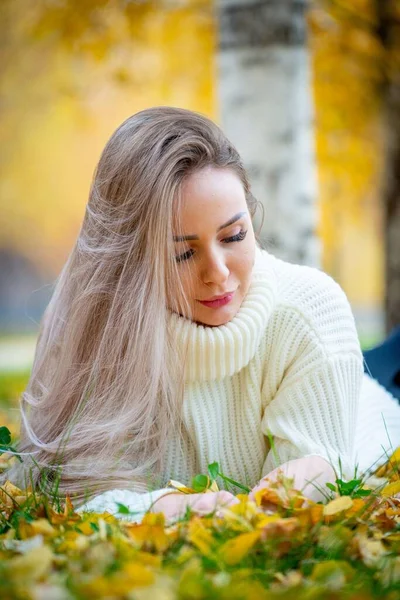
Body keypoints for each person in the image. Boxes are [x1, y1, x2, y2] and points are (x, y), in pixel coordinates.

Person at [3, 107, 400, 523]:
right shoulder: (101, 330)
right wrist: (170, 508)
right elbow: (73, 490)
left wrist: (284, 487)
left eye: (234, 236)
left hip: (373, 394)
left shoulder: (311, 308)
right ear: (132, 259)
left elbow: (305, 485)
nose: (218, 274)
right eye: (183, 253)